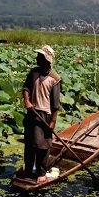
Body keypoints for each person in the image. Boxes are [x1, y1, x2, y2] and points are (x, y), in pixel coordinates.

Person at [21, 45, 61, 183]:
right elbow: (26, 88)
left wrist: (53, 122)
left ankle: (41, 172)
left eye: (39, 56)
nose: (37, 58)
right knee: (29, 143)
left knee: (42, 145)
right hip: (32, 113)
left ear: (46, 59)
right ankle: (28, 169)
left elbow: (55, 105)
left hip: (45, 115)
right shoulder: (33, 73)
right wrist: (27, 101)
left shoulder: (54, 79)